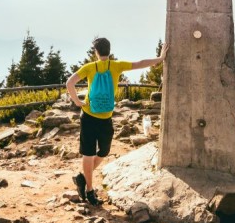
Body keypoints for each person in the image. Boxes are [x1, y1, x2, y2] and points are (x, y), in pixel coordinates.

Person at [66, 37, 168, 206]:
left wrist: (77, 101)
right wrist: (160, 58)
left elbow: (70, 83)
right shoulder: (116, 66)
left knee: (91, 153)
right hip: (105, 118)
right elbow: (140, 63)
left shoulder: (90, 67)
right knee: (99, 152)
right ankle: (89, 190)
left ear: (96, 52)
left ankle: (82, 178)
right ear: (109, 50)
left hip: (89, 116)